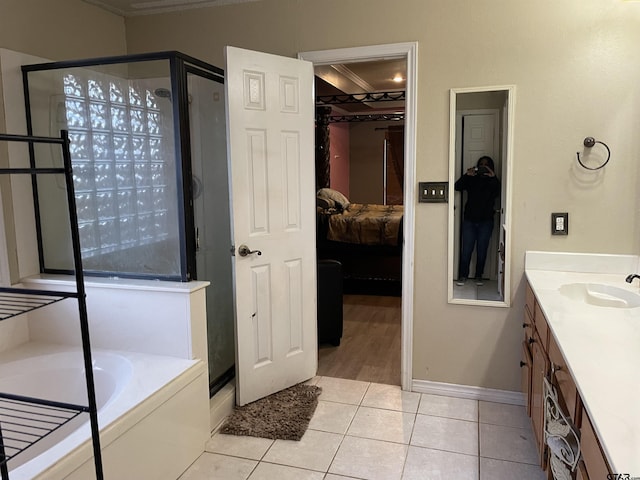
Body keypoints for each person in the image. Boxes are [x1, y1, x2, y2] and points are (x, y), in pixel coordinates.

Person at [454, 156, 500, 286]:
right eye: (481, 165)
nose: (483, 167)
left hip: (486, 221)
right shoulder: (472, 179)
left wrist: (493, 177)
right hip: (469, 220)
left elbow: (497, 193)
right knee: (466, 249)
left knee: (482, 250)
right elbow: (457, 187)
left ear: (490, 167)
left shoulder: (493, 181)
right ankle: (463, 275)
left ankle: (479, 275)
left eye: (486, 165)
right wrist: (466, 175)